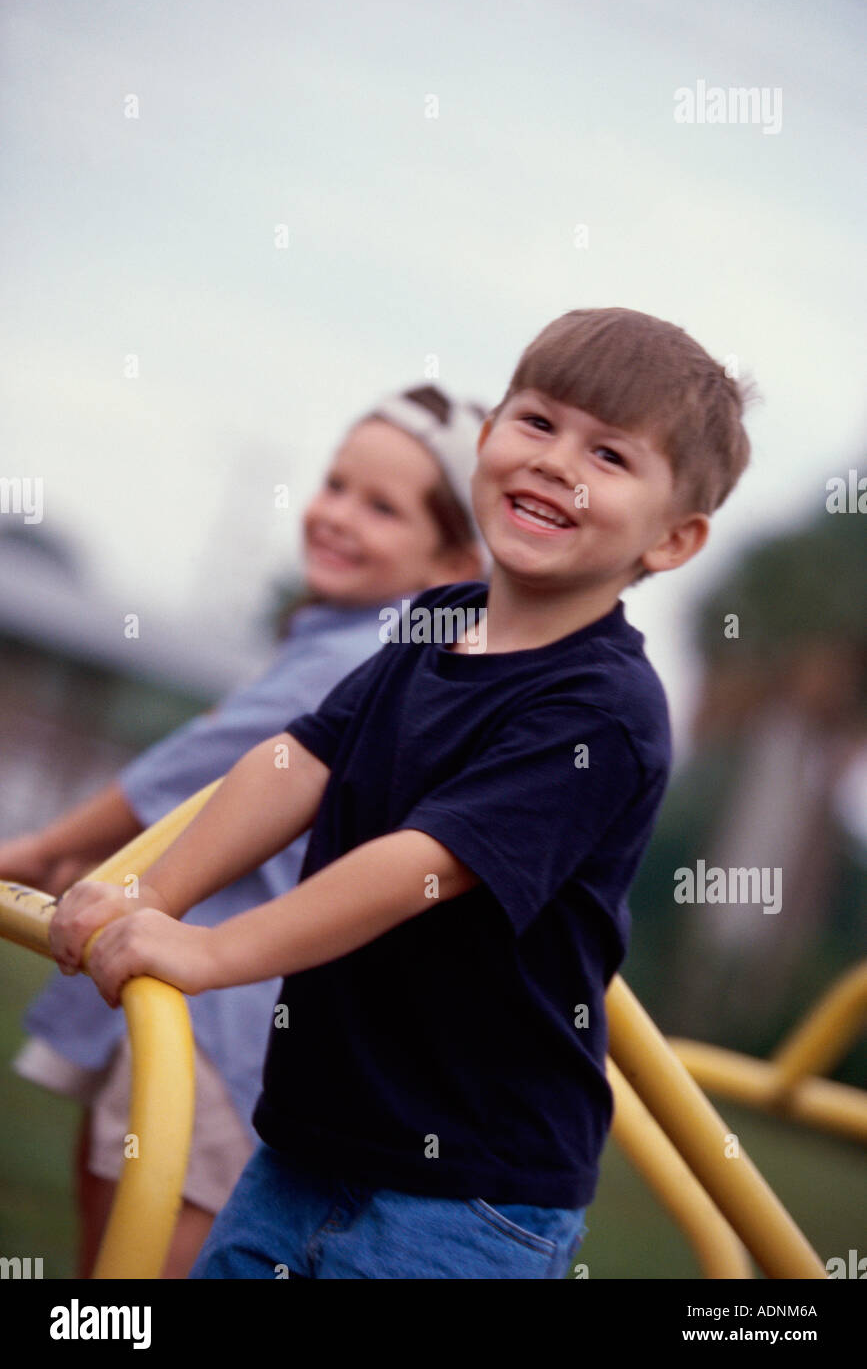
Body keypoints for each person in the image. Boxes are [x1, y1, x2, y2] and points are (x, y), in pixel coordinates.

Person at [48, 307, 755, 1279]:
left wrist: (213, 950)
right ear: (488, 437)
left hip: (464, 1197)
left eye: (610, 454)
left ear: (674, 540)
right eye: (539, 422)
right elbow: (298, 759)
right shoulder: (433, 620)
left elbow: (422, 868)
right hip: (304, 1141)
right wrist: (151, 894)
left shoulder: (603, 709)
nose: (557, 462)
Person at [2, 382, 487, 1277]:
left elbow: (200, 761)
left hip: (220, 1021)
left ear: (452, 555)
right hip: (184, 987)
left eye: (380, 507)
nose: (337, 516)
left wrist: (38, 848)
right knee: (108, 1243)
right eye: (336, 485)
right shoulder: (347, 638)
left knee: (139, 1256)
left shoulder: (365, 652)